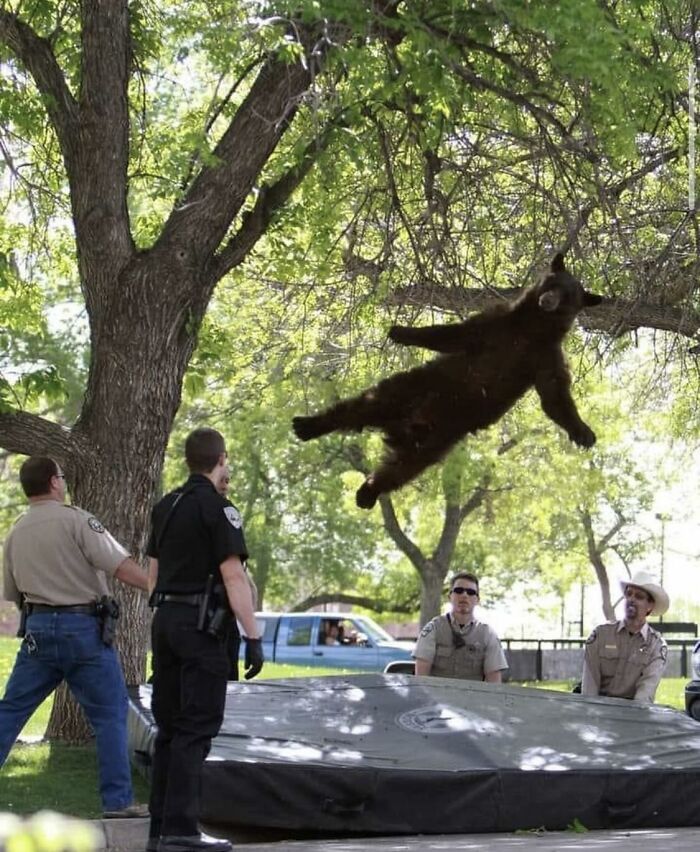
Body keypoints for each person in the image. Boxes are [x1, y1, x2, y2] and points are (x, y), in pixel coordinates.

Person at [0, 456, 149, 818]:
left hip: (37, 631)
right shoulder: (77, 519)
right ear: (54, 482)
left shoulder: (16, 532)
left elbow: (11, 592)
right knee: (110, 715)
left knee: (11, 712)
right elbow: (119, 565)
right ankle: (117, 802)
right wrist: (156, 586)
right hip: (83, 630)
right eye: (62, 477)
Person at [146, 428, 263, 852]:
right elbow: (233, 576)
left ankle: (159, 831)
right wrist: (253, 636)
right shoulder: (219, 509)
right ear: (221, 459)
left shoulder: (166, 506)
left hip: (166, 623)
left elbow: (153, 579)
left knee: (169, 730)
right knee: (196, 728)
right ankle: (182, 831)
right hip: (202, 627)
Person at [581, 570, 669, 702]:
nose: (631, 599)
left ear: (650, 606)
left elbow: (644, 696)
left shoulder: (656, 646)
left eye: (639, 596)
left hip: (632, 716)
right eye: (628, 594)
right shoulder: (600, 635)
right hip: (597, 713)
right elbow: (589, 689)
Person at [412, 571, 508, 681]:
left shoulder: (488, 635)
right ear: (450, 596)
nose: (464, 595)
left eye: (471, 592)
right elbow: (421, 678)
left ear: (477, 600)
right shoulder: (434, 629)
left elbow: (494, 683)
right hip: (437, 697)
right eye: (458, 591)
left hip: (473, 697)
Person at [215, 465, 259, 681]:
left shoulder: (171, 507)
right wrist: (253, 637)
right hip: (213, 619)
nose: (225, 485)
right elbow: (233, 576)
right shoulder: (225, 512)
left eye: (228, 480)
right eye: (222, 479)